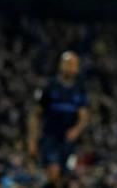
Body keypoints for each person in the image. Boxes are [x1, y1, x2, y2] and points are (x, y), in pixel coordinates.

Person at [27, 51, 88, 188]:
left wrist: (77, 129)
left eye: (74, 64)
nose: (71, 67)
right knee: (53, 172)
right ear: (61, 65)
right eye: (68, 64)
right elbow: (34, 114)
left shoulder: (79, 89)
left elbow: (84, 116)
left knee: (63, 177)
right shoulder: (49, 86)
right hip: (50, 137)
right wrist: (31, 140)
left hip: (68, 141)